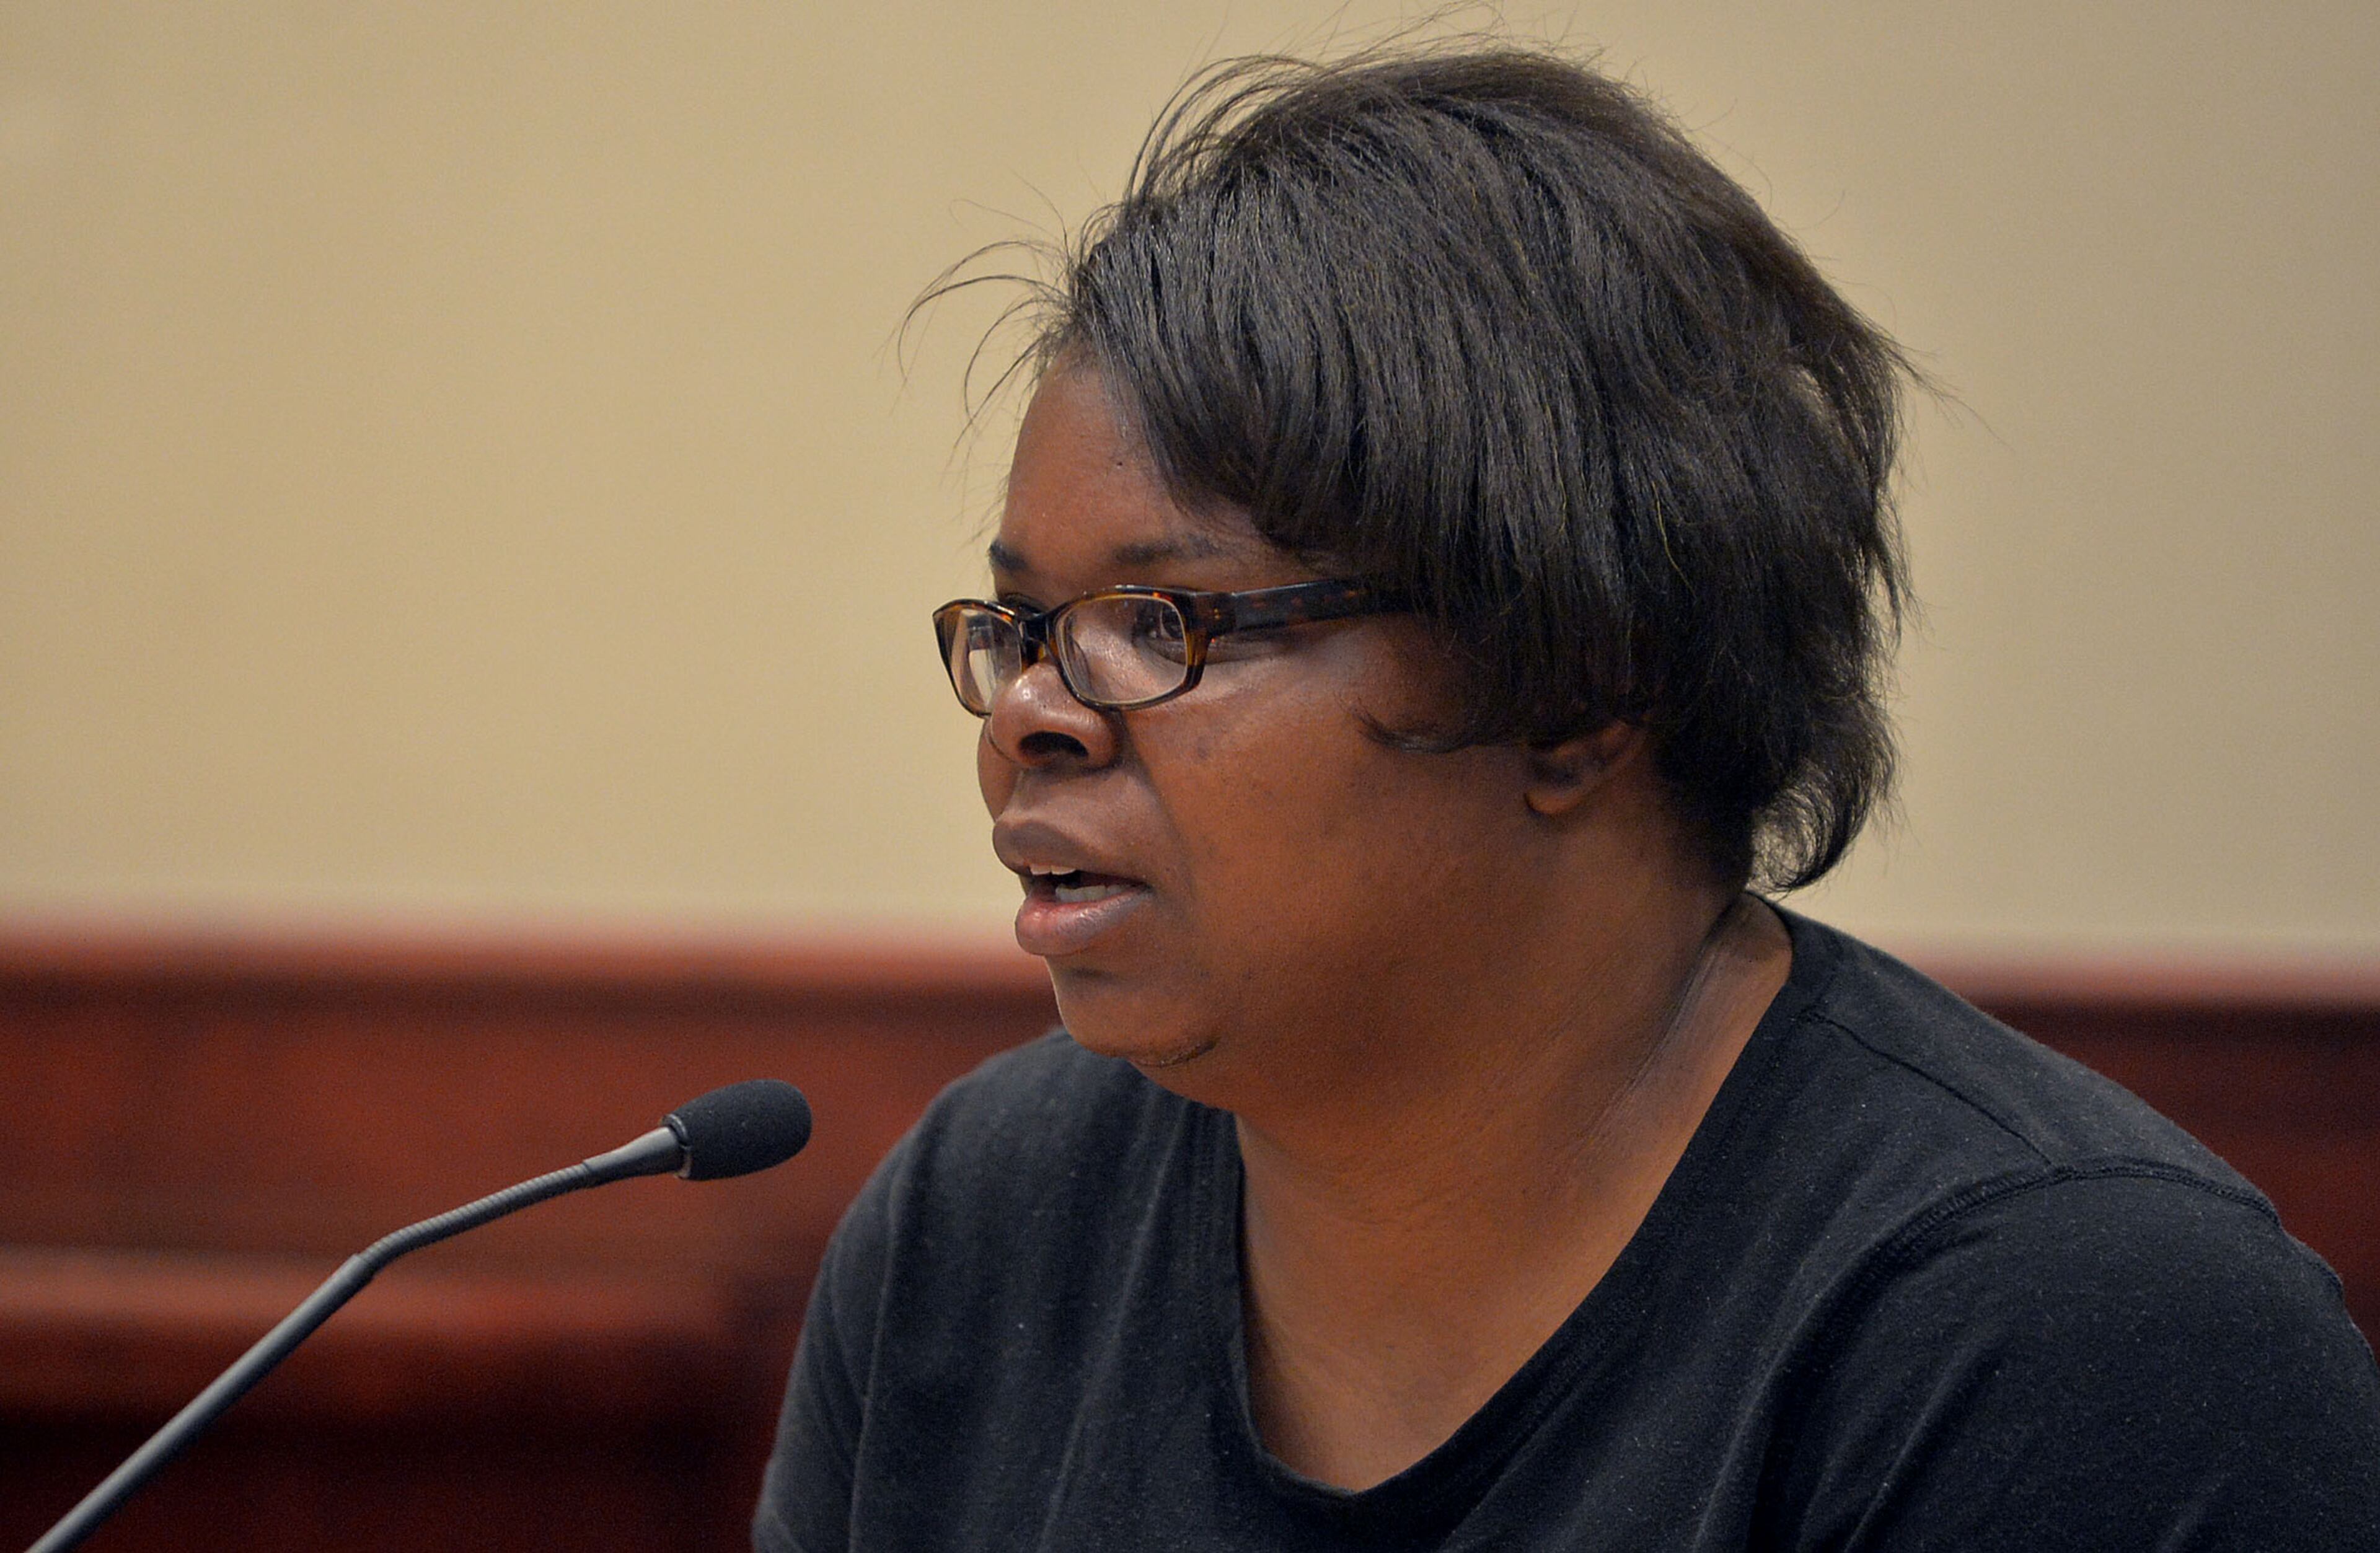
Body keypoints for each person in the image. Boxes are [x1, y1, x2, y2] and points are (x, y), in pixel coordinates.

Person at [754, 43, 2380, 1551]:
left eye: (1157, 624)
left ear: (1577, 690)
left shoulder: (2081, 1351)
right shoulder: (983, 1227)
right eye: (1022, 626)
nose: (1032, 711)